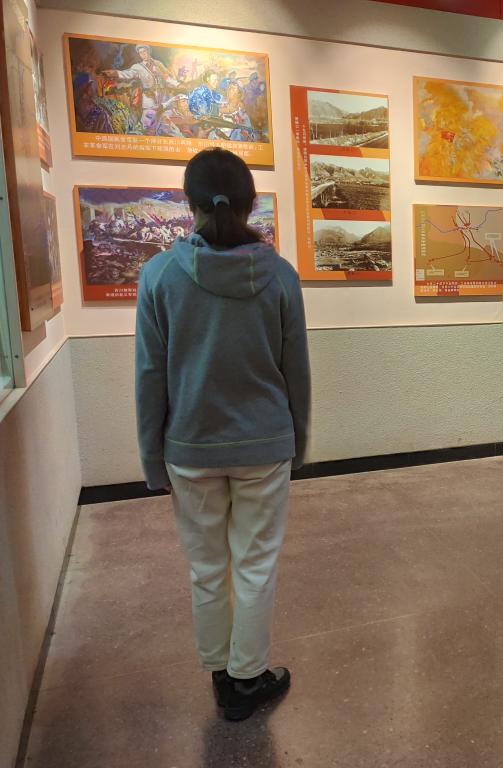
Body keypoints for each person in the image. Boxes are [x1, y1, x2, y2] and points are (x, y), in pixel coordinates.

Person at [134, 148, 311, 722]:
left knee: (207, 569)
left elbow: (150, 376)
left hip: (189, 449)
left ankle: (220, 672)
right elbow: (296, 370)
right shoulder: (280, 275)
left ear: (189, 204)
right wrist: (298, 443)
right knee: (256, 566)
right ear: (250, 203)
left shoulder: (159, 276)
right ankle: (247, 679)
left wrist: (152, 460)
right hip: (264, 445)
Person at [102, 44, 179, 131]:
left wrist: (176, 84)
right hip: (149, 99)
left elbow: (168, 77)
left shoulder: (158, 64)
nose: (143, 54)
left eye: (144, 51)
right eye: (140, 53)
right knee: (147, 124)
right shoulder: (138, 67)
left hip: (163, 97)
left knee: (167, 123)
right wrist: (116, 73)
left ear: (148, 51)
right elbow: (127, 73)